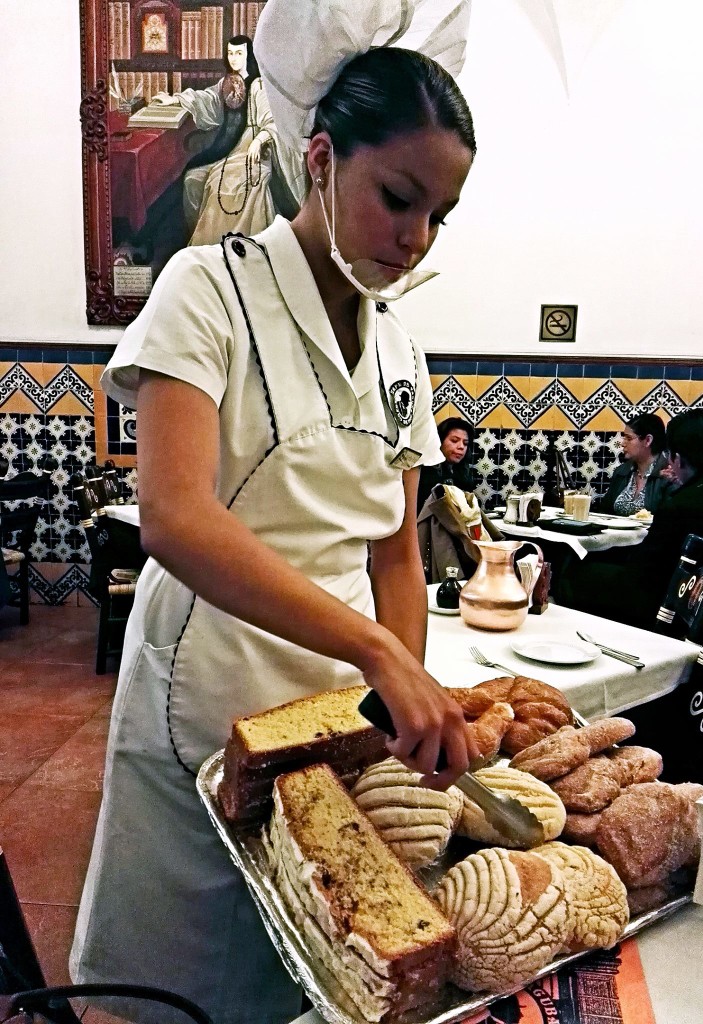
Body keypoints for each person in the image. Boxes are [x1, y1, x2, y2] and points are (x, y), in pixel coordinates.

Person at [70, 2, 477, 1022]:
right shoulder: (208, 287)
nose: (415, 236)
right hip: (204, 701)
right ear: (323, 156)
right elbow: (174, 515)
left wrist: (399, 684)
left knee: (315, 965)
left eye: (440, 214)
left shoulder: (399, 349)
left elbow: (394, 555)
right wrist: (380, 658)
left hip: (330, 714)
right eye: (397, 197)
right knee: (187, 984)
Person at [558, 409, 703, 628]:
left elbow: (641, 576)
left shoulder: (685, 503)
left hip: (684, 611)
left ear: (678, 458)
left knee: (574, 572)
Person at [150, 36, 300, 245]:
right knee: (192, 178)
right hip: (227, 147)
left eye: (239, 53)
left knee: (223, 185)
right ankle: (206, 245)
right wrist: (175, 99)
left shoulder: (258, 84)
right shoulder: (226, 83)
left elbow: (271, 121)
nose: (234, 58)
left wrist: (259, 140)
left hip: (251, 146)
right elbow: (208, 99)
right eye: (230, 53)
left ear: (248, 55)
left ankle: (232, 245)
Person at [593, 413, 674, 516]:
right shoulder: (622, 472)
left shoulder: (668, 475)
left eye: (629, 438)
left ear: (648, 440)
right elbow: (605, 512)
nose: (623, 443)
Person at [416, 415, 476, 511]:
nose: (461, 447)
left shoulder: (463, 472)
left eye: (465, 443)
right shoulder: (424, 471)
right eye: (454, 441)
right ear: (440, 441)